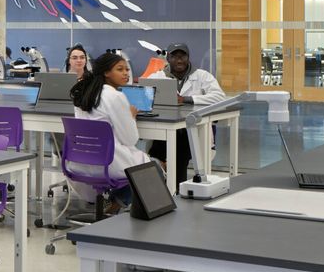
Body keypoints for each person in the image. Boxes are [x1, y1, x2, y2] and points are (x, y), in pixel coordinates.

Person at [70, 51, 151, 212]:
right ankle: (114, 206)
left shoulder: (83, 94)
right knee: (152, 167)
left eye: (127, 70)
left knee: (139, 164)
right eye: (120, 69)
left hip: (79, 162)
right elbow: (130, 139)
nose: (126, 73)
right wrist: (131, 116)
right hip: (107, 164)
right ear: (106, 73)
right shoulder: (115, 97)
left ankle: (109, 206)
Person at [144, 42, 226, 188]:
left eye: (183, 56)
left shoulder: (202, 76)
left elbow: (220, 97)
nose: (179, 60)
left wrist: (188, 99)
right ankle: (162, 181)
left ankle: (174, 187)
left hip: (191, 131)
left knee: (179, 150)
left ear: (188, 58)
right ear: (168, 58)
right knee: (156, 155)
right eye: (174, 56)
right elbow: (145, 95)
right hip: (165, 129)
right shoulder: (158, 76)